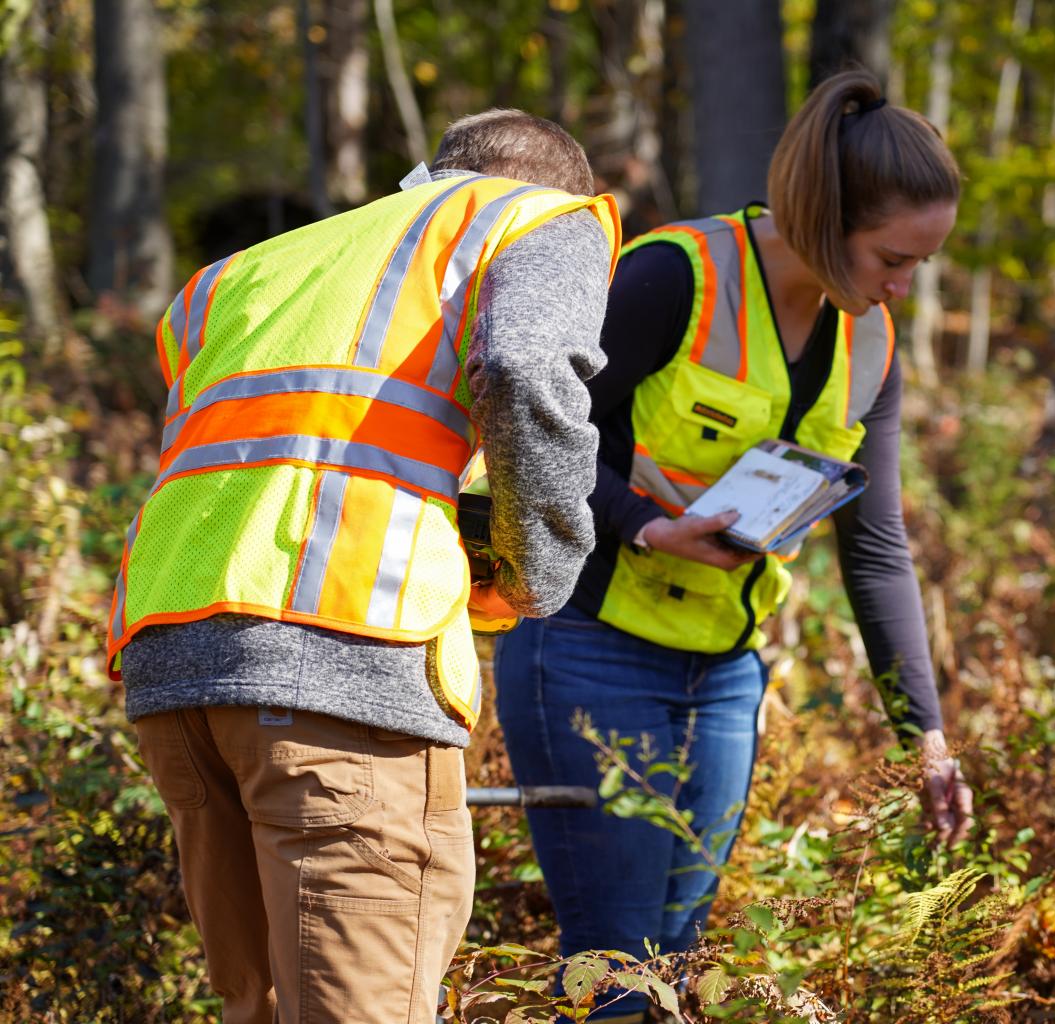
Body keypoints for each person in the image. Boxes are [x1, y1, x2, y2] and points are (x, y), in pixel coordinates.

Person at [109, 109, 621, 1023]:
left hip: (173, 665)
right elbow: (523, 364)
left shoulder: (249, 268)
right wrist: (542, 570)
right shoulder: (536, 219)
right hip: (343, 670)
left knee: (258, 1007)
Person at [494, 69, 973, 1022]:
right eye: (891, 258)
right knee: (616, 978)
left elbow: (874, 548)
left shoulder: (871, 344)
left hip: (724, 678)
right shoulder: (674, 277)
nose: (903, 288)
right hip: (588, 646)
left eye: (921, 265)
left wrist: (925, 738)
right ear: (822, 212)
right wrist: (645, 525)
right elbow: (525, 444)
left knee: (676, 974)